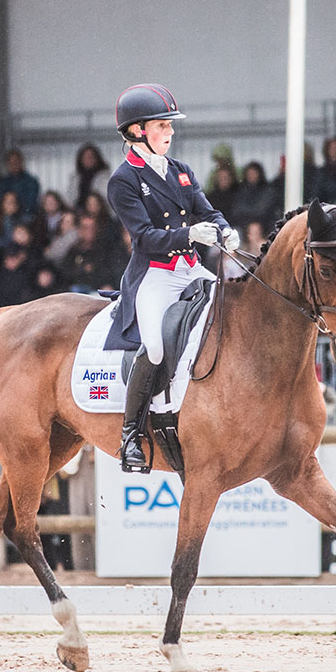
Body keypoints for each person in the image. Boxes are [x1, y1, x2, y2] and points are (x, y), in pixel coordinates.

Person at [105, 83, 238, 471]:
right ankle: (131, 434)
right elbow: (144, 238)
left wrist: (225, 229)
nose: (171, 132)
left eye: (169, 125)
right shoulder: (124, 180)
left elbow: (208, 211)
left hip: (191, 269)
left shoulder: (181, 172)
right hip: (155, 275)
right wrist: (188, 235)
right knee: (156, 347)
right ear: (137, 130)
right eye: (163, 125)